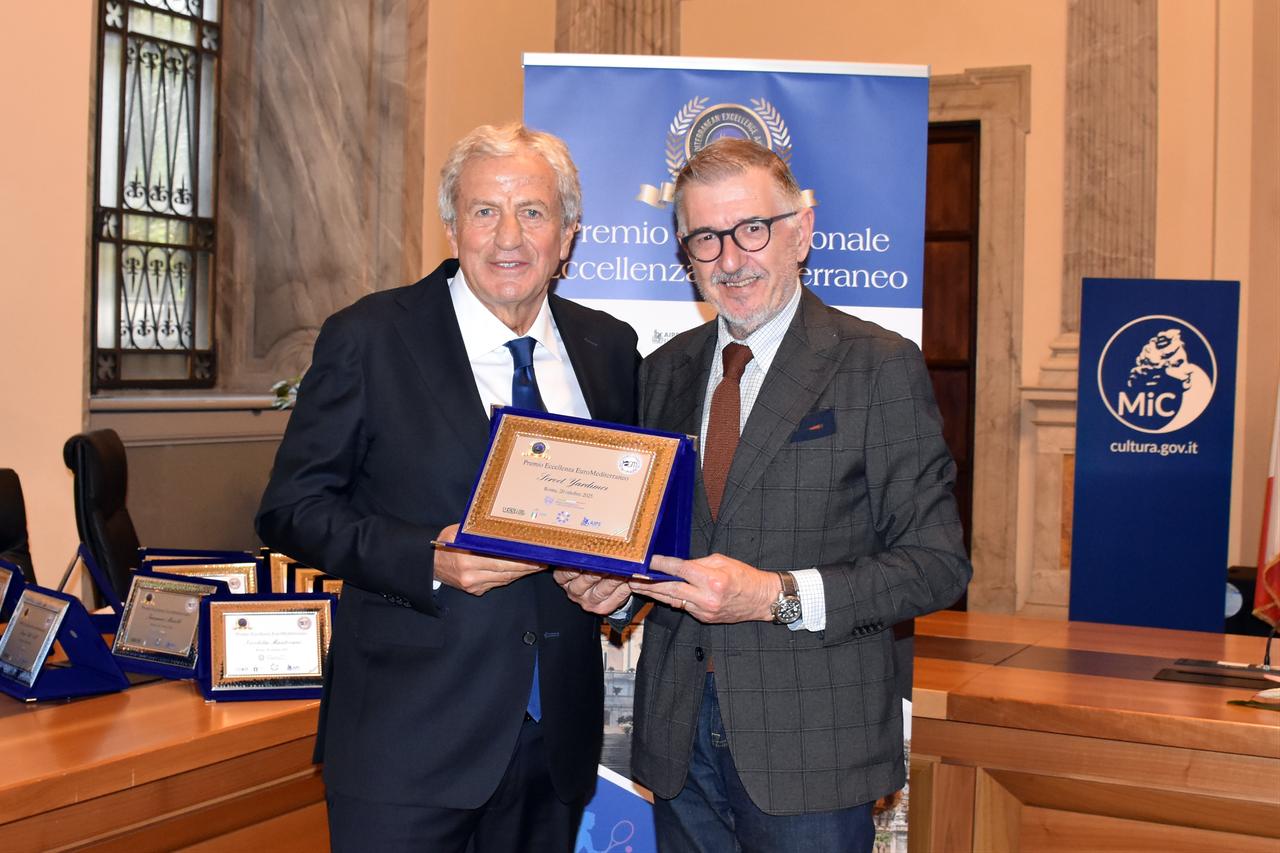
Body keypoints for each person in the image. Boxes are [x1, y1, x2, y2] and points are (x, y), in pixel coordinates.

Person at [557, 138, 971, 853]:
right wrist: (614, 587)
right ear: (686, 254)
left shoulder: (877, 364)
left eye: (753, 229)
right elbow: (655, 537)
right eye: (706, 239)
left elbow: (936, 564)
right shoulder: (662, 372)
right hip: (677, 742)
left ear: (802, 231)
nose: (732, 258)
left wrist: (776, 594)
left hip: (813, 750)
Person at [256, 123, 640, 852]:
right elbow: (290, 509)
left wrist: (620, 585)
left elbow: (626, 514)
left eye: (532, 211)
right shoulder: (370, 337)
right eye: (483, 210)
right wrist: (427, 558)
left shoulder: (608, 347)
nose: (508, 236)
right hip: (407, 741)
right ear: (450, 225)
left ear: (568, 235)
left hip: (552, 745)